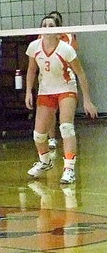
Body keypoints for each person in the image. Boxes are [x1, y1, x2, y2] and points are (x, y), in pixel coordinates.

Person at [25, 15, 97, 184]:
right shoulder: (34, 47)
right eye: (44, 25)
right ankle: (45, 161)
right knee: (38, 135)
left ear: (58, 32)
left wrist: (87, 100)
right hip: (46, 90)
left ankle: (69, 169)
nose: (48, 28)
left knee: (66, 127)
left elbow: (80, 73)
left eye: (51, 25)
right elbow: (31, 70)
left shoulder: (66, 49)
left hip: (66, 88)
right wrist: (28, 91)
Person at [44, 11, 78, 150]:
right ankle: (52, 138)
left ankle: (68, 144)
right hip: (48, 80)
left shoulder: (68, 36)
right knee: (51, 113)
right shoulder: (42, 34)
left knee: (66, 122)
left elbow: (73, 55)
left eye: (55, 21)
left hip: (65, 79)